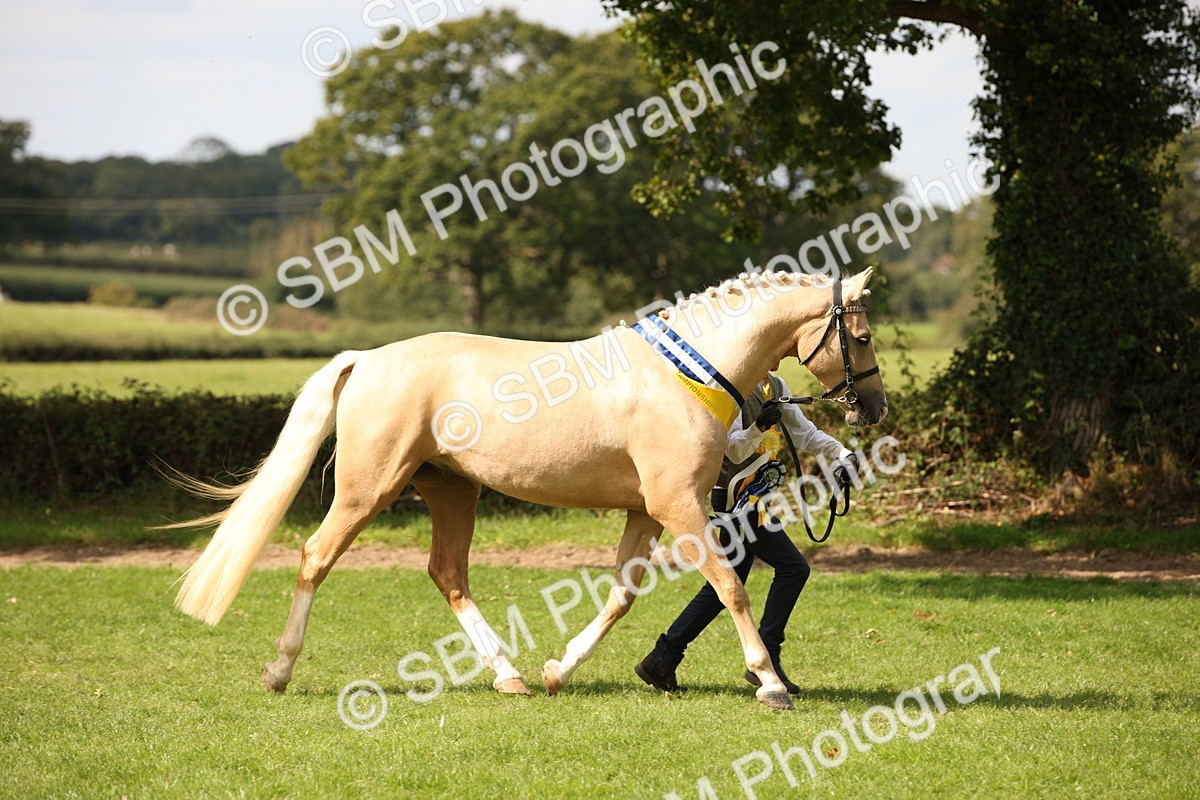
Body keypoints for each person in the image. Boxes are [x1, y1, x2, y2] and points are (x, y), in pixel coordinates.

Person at [635, 371, 858, 695]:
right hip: (733, 505)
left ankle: (662, 658)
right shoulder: (735, 390)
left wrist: (841, 453)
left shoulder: (777, 386)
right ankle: (766, 658)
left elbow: (804, 434)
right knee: (793, 568)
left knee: (722, 588)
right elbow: (734, 451)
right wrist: (760, 426)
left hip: (755, 504)